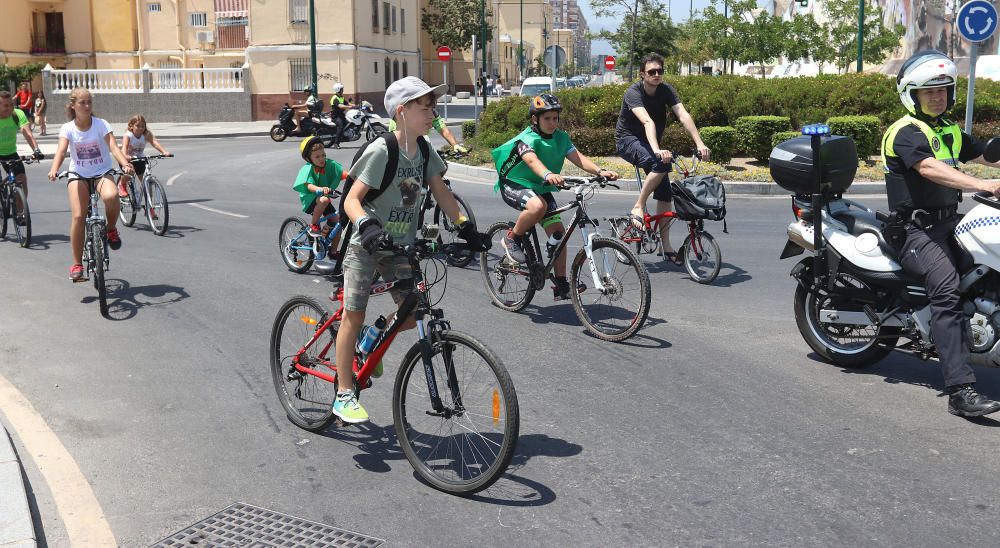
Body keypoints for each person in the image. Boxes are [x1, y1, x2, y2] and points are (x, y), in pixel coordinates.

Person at [331, 76, 489, 423]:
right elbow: (352, 201)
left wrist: (466, 227)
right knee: (352, 315)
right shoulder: (381, 150)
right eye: (425, 106)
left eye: (433, 105)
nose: (433, 112)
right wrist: (367, 226)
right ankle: (344, 393)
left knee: (412, 307)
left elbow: (443, 194)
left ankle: (372, 338)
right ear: (402, 112)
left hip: (401, 244)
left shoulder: (425, 151)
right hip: (366, 244)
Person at [882, 49, 1000, 417]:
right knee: (946, 290)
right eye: (929, 91)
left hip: (949, 223)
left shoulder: (949, 130)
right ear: (911, 95)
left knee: (987, 274)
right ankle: (960, 390)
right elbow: (930, 168)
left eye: (944, 90)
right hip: (914, 231)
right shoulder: (904, 132)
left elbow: (985, 153)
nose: (938, 97)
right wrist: (986, 184)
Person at [491, 93, 619, 300]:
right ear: (535, 119)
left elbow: (578, 158)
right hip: (515, 183)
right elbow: (532, 161)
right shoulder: (526, 139)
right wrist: (548, 174)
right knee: (537, 206)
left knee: (559, 234)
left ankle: (561, 285)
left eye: (555, 118)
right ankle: (511, 238)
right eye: (546, 119)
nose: (552, 123)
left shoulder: (561, 138)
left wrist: (599, 171)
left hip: (539, 186)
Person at [615, 53, 710, 265]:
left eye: (660, 71)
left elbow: (683, 115)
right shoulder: (634, 92)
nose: (657, 75)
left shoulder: (665, 90)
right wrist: (657, 150)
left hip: (651, 144)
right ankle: (638, 206)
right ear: (642, 75)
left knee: (666, 192)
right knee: (659, 162)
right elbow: (648, 122)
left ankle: (666, 248)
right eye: (652, 72)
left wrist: (699, 143)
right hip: (628, 140)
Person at [47, 88, 134, 281]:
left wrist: (125, 163)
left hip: (102, 172)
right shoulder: (67, 128)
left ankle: (111, 229)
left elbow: (113, 146)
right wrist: (54, 168)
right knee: (78, 216)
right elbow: (61, 151)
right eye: (82, 103)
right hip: (78, 174)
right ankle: (77, 264)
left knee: (112, 197)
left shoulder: (101, 124)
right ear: (73, 105)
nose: (87, 106)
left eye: (89, 103)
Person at [0, 91, 43, 225]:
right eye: (5, 105)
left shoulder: (17, 114)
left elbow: (27, 133)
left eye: (11, 104)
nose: (9, 108)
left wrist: (36, 150)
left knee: (21, 180)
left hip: (11, 152)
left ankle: (19, 213)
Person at [293, 134, 344, 244]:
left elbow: (339, 173)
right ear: (309, 158)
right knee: (325, 200)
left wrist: (353, 177)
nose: (322, 159)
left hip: (322, 199)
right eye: (317, 157)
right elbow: (308, 185)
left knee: (338, 223)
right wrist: (318, 189)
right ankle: (314, 225)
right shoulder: (308, 168)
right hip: (311, 200)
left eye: (323, 155)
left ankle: (333, 252)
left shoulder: (328, 165)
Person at [117, 114, 171, 201]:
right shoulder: (128, 135)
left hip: (140, 159)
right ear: (131, 126)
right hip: (127, 159)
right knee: (130, 170)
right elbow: (124, 149)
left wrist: (164, 152)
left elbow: (155, 143)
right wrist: (127, 157)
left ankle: (149, 207)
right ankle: (122, 184)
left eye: (142, 126)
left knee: (147, 183)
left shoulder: (146, 134)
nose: (140, 128)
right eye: (137, 126)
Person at [387, 108, 467, 154]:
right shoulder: (401, 115)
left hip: (421, 147)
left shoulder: (432, 113)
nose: (430, 117)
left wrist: (455, 145)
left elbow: (444, 130)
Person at [329, 83, 354, 148]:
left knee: (349, 124)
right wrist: (348, 107)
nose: (343, 90)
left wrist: (356, 105)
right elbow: (340, 106)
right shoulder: (334, 98)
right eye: (341, 89)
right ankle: (336, 143)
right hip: (335, 116)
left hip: (341, 115)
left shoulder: (341, 97)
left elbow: (348, 103)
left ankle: (344, 137)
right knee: (340, 126)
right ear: (338, 90)